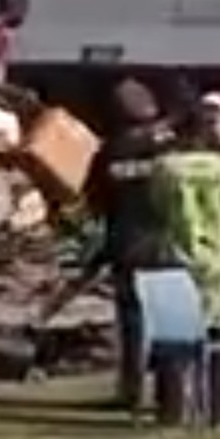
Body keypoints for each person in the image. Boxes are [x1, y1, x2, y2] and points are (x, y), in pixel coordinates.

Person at [49, 79, 175, 409]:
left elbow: (94, 203)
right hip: (170, 243)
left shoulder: (107, 154)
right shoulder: (170, 148)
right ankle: (170, 393)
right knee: (169, 323)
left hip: (127, 244)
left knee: (133, 323)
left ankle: (131, 392)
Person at [151, 102, 220, 426]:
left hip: (177, 255)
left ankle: (174, 410)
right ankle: (217, 409)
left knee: (173, 337)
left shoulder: (166, 167)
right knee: (219, 336)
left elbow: (158, 205)